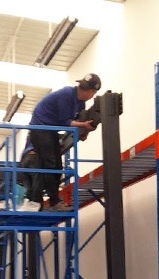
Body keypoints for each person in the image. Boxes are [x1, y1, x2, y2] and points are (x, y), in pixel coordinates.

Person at [26, 73, 102, 212]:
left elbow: (77, 121)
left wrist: (84, 131)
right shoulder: (66, 95)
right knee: (50, 164)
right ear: (91, 92)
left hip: (51, 130)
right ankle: (54, 201)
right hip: (40, 128)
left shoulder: (80, 102)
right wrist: (83, 126)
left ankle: (52, 200)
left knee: (57, 166)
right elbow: (65, 121)